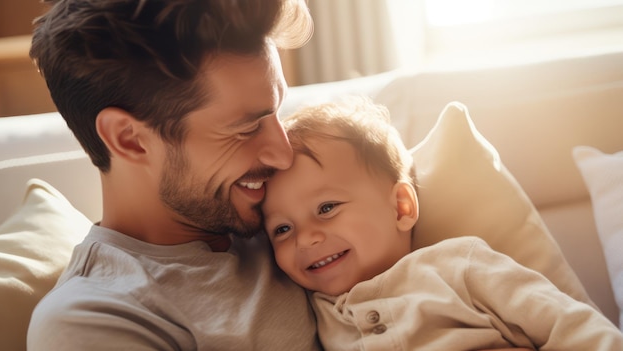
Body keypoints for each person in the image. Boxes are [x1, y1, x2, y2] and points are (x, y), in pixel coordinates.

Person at [26, 0, 321, 350]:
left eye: (277, 112)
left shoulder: (300, 208)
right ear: (130, 139)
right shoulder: (92, 319)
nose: (283, 155)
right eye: (245, 129)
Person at [261, 97, 623, 350]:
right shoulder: (315, 314)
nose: (305, 238)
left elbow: (569, 323)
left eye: (326, 208)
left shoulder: (460, 265)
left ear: (401, 207)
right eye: (282, 229)